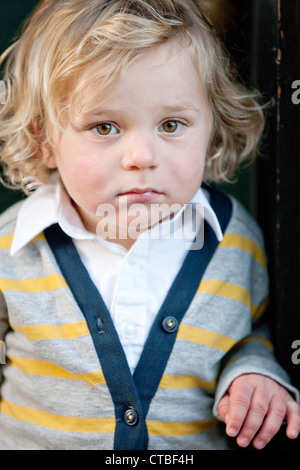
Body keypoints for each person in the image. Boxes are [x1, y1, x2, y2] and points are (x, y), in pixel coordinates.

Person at [0, 0, 299, 451]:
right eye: (104, 127)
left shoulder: (233, 240)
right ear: (44, 140)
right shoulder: (12, 246)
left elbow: (246, 332)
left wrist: (252, 372)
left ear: (212, 127)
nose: (142, 156)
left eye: (172, 124)